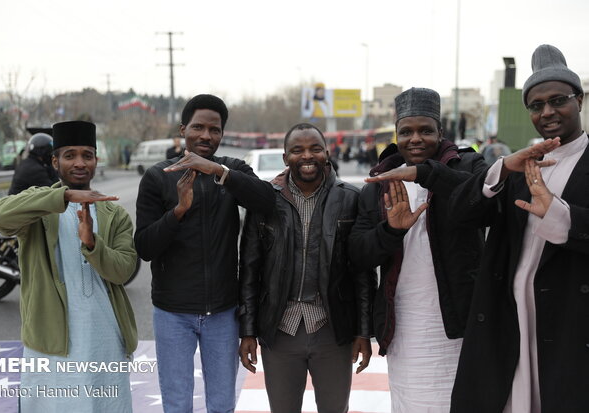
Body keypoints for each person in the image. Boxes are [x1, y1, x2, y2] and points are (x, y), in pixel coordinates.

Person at [449, 44, 589, 413]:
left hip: (568, 316)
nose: (548, 112)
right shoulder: (523, 166)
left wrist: (562, 215)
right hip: (508, 315)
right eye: (536, 105)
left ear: (579, 100)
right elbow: (462, 215)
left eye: (558, 100)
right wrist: (501, 171)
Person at [349, 87, 489, 412]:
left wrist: (429, 175)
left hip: (459, 325)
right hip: (404, 326)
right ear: (396, 134)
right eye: (406, 131)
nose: (415, 139)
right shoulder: (379, 183)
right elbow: (358, 254)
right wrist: (390, 230)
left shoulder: (467, 165)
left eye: (425, 130)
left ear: (440, 132)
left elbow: (485, 202)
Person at [134, 94, 275, 413]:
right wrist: (179, 211)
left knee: (222, 404)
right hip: (172, 313)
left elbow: (267, 201)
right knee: (177, 403)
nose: (206, 135)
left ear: (222, 134)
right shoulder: (158, 177)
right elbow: (144, 246)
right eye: (198, 127)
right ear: (183, 129)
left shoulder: (233, 171)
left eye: (215, 129)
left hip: (223, 313)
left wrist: (219, 171)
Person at [0, 120, 138, 412]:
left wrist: (93, 245)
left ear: (97, 160)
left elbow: (123, 270)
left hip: (104, 336)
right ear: (55, 161)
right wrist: (64, 196)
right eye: (69, 155)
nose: (80, 163)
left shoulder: (114, 213)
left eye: (87, 155)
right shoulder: (39, 207)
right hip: (51, 338)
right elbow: (1, 218)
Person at [238, 122, 374, 413]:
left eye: (315, 148)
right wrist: (247, 331)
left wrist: (364, 331)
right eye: (297, 150)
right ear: (286, 157)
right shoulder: (265, 200)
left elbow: (361, 271)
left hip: (332, 327)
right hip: (280, 328)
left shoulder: (350, 198)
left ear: (326, 152)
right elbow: (250, 269)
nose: (307, 156)